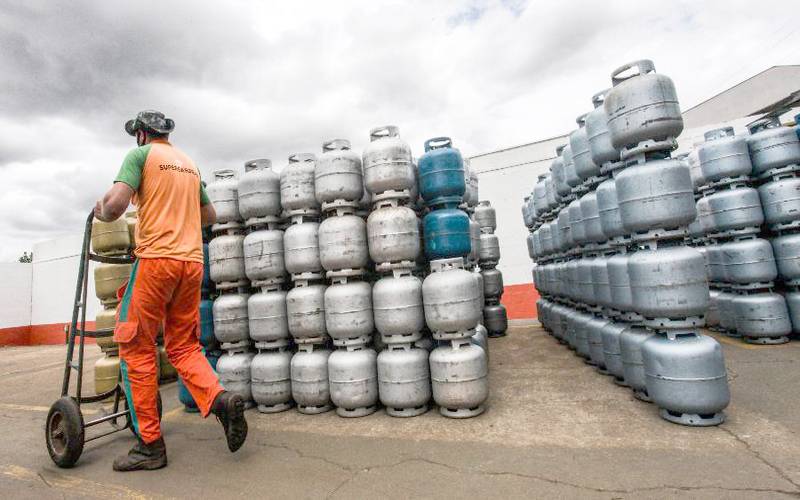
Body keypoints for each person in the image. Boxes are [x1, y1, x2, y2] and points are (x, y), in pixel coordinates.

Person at [94, 110, 247, 471]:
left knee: (136, 346)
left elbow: (116, 207)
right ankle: (221, 400)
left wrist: (101, 210)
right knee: (183, 346)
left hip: (157, 261)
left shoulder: (141, 156)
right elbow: (210, 215)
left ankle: (150, 445)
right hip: (191, 264)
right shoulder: (188, 164)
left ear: (143, 135)